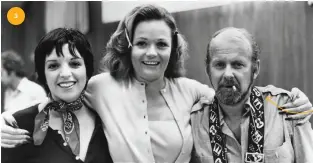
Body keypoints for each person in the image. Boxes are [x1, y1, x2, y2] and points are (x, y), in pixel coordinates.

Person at [1, 5, 312, 163]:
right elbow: (63, 92)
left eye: (161, 44)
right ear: (128, 46)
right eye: (142, 43)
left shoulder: (190, 91)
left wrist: (293, 100)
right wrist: (9, 119)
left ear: (173, 48)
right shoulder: (102, 87)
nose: (152, 53)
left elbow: (232, 92)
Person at [190, 27, 313, 163]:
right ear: (208, 70)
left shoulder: (287, 107)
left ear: (255, 69)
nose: (228, 74)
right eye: (219, 65)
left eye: (238, 64)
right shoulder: (194, 120)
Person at [1, 28, 113, 163]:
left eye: (75, 64)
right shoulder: (17, 126)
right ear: (43, 74)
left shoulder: (108, 119)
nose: (65, 73)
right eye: (53, 66)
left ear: (87, 69)